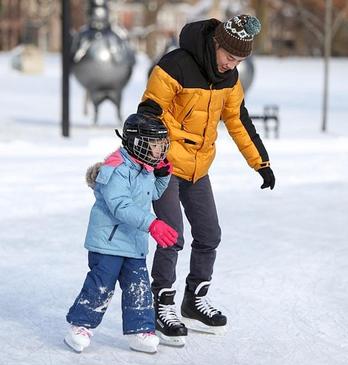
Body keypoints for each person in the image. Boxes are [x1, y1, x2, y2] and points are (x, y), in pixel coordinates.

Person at [135, 14, 276, 345]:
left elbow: (238, 121)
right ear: (217, 44)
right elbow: (149, 111)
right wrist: (154, 159)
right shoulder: (175, 65)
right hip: (165, 165)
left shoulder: (230, 79)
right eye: (229, 56)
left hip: (198, 168)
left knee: (210, 234)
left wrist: (261, 163)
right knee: (171, 236)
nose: (232, 64)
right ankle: (162, 303)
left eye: (239, 60)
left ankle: (193, 300)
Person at [64, 113, 178, 354]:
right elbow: (120, 206)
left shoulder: (145, 167)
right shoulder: (116, 168)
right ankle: (81, 325)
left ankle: (140, 330)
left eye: (161, 145)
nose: (159, 150)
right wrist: (152, 223)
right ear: (137, 143)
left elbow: (153, 194)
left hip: (134, 242)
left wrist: (163, 175)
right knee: (100, 285)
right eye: (154, 145)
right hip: (109, 242)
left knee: (139, 287)